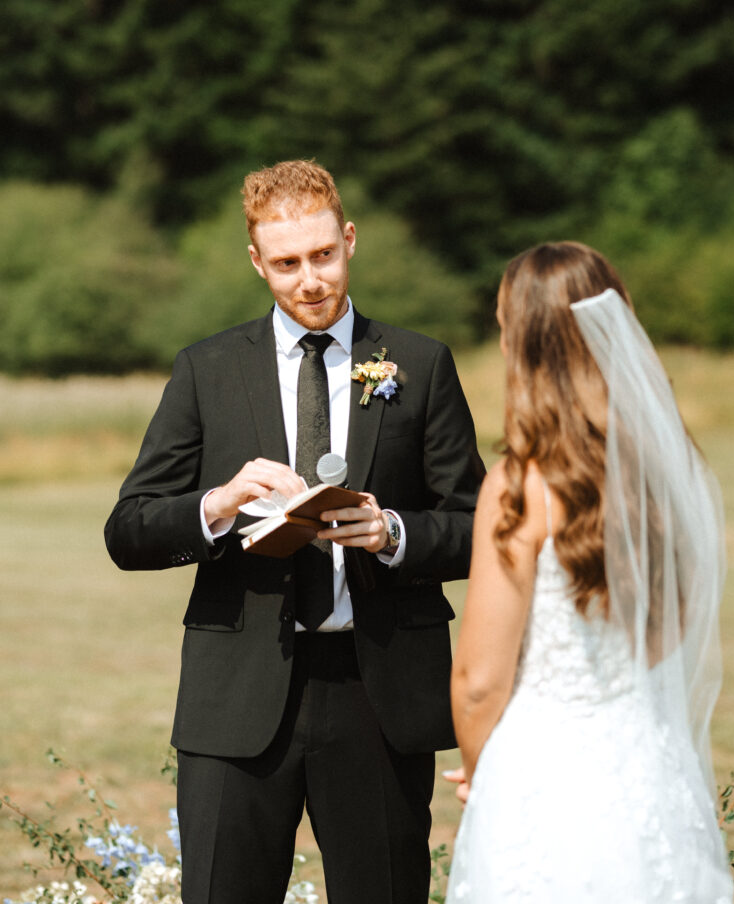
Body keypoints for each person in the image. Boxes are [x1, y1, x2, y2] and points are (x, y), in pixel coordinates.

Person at [104, 160, 484, 904]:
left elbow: (479, 528)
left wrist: (393, 531)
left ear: (348, 239)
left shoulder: (421, 364)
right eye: (285, 264)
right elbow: (129, 529)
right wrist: (216, 504)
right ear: (256, 261)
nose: (308, 280)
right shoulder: (206, 370)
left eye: (322, 256)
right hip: (235, 698)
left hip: (378, 695)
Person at [444, 242, 734, 903]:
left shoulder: (522, 484)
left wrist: (477, 772)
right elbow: (670, 634)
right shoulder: (666, 470)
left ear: (525, 343)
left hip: (544, 780)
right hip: (650, 769)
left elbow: (478, 683)